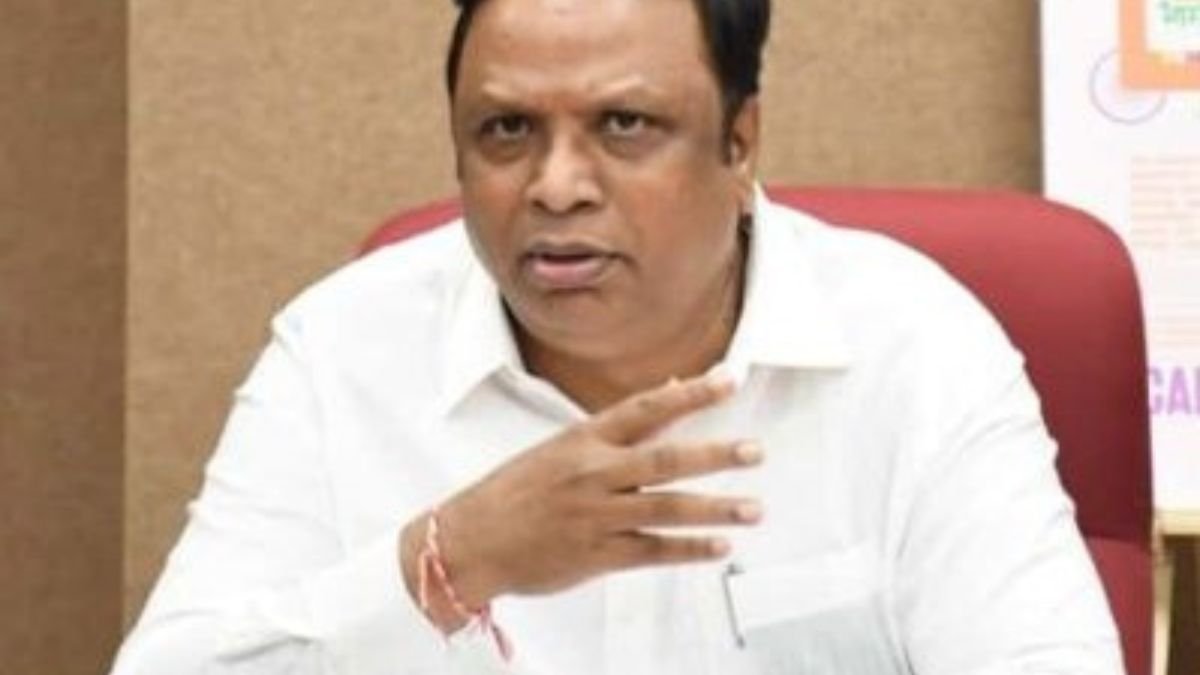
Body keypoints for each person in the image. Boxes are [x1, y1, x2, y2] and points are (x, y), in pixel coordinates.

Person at [110, 0, 1125, 672]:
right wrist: (451, 560)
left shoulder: (916, 347)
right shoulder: (342, 352)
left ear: (740, 142)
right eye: (506, 131)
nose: (555, 186)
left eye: (624, 126)